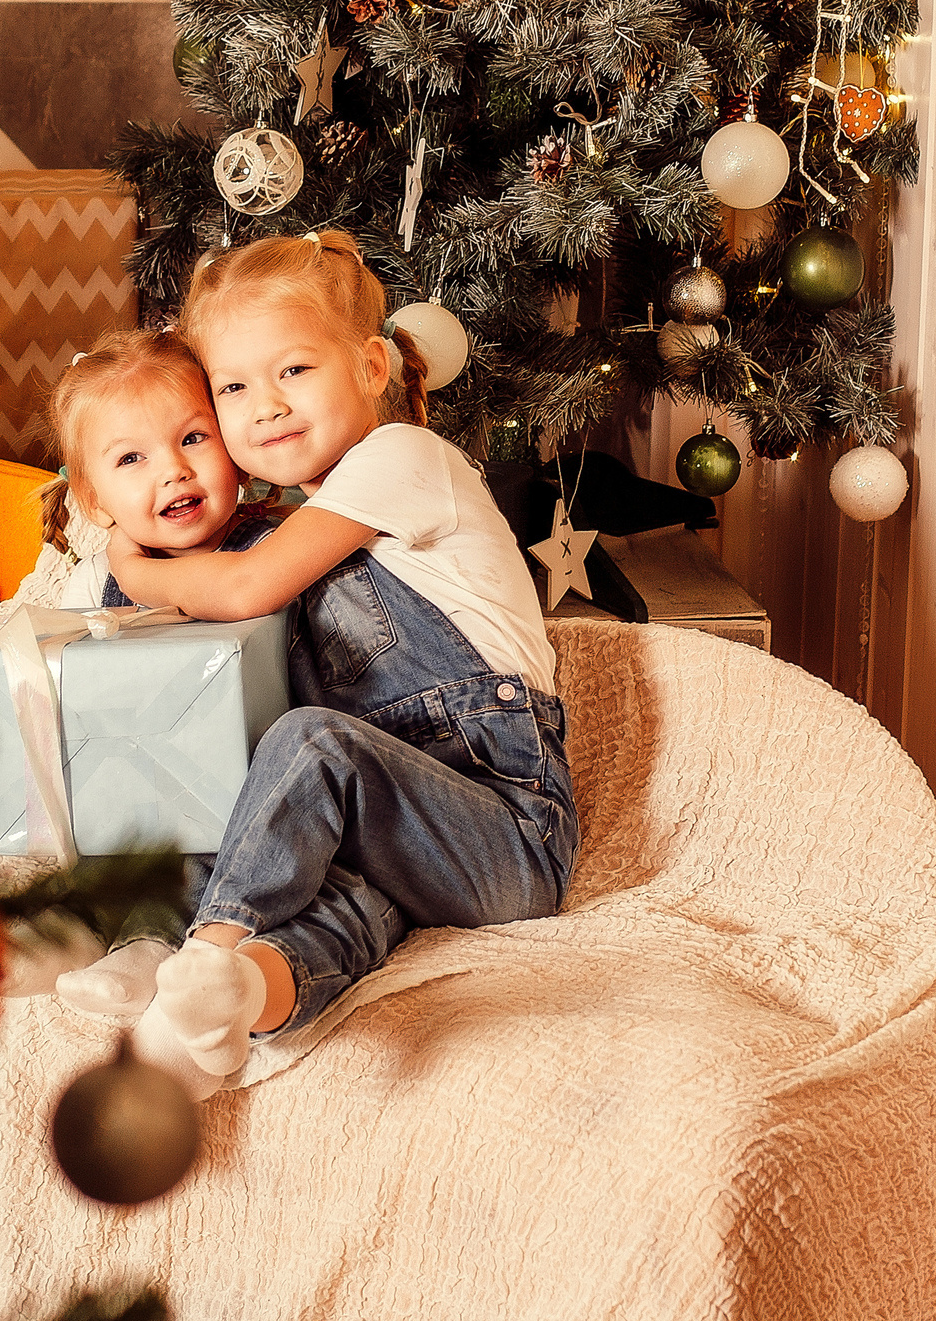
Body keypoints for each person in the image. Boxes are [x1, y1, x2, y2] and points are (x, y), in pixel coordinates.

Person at [75, 231, 578, 1098]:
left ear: (372, 369)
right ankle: (223, 999)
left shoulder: (404, 459)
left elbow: (243, 585)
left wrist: (134, 562)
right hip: (386, 840)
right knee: (337, 904)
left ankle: (205, 947)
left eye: (293, 371)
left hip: (503, 823)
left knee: (313, 742)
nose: (264, 406)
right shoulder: (306, 512)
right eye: (233, 387)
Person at [33, 327, 279, 610]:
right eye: (131, 458)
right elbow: (73, 656)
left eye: (192, 438)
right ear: (94, 501)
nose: (173, 470)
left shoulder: (277, 552)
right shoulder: (94, 581)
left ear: (236, 455)